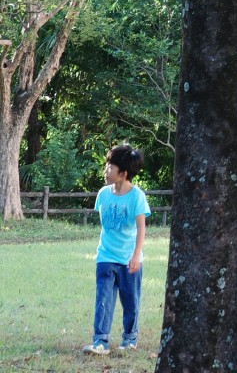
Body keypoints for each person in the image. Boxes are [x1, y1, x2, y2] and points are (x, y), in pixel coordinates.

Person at [86, 145, 151, 355]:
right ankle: (100, 341)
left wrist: (135, 256)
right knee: (103, 299)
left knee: (130, 301)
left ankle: (130, 338)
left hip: (128, 259)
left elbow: (141, 228)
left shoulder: (137, 197)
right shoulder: (103, 194)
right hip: (105, 256)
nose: (106, 170)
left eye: (110, 167)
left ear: (122, 173)